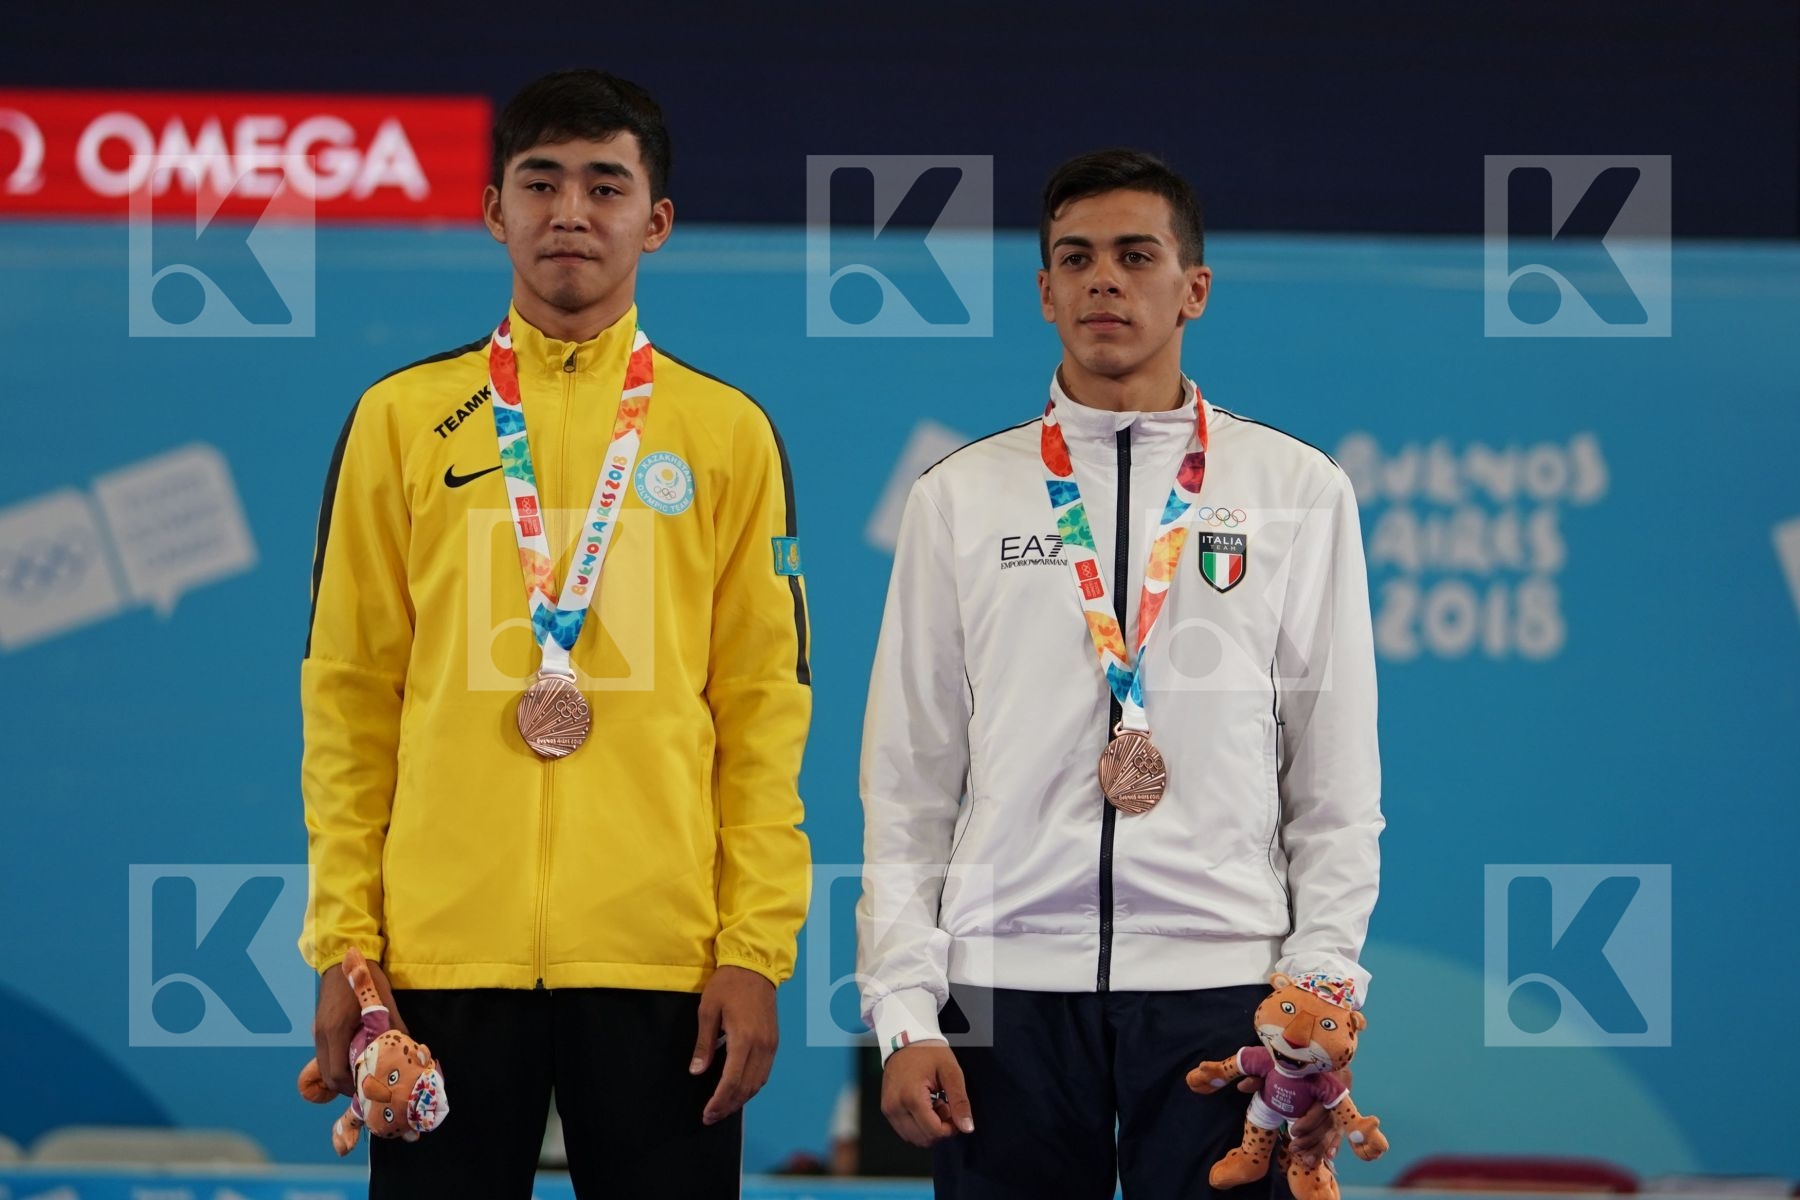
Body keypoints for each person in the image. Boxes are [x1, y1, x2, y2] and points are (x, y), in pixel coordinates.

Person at [299, 68, 812, 1198]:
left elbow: (763, 710)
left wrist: (751, 950)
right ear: (496, 210)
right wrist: (348, 945)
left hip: (663, 965)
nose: (570, 211)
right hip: (440, 963)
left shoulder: (727, 433)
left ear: (655, 221)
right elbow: (349, 696)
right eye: (541, 183)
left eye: (604, 186)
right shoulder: (399, 420)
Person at [856, 149, 1383, 1199]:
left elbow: (1335, 781)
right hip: (1000, 985)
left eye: (1137, 256)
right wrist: (906, 1010)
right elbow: (908, 779)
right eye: (1077, 258)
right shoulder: (958, 496)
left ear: (1194, 289)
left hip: (1225, 986)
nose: (1104, 279)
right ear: (1044, 290)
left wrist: (1319, 981)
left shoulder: (1297, 489)